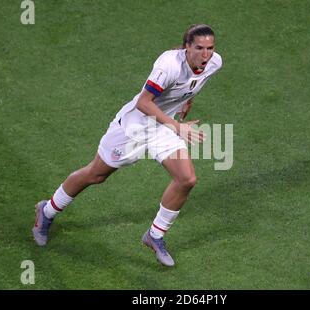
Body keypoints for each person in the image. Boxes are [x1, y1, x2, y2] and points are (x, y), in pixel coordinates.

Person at [32, 24, 222, 267]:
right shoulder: (168, 66)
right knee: (96, 174)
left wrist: (187, 101)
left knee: (187, 179)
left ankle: (155, 235)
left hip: (162, 128)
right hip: (134, 126)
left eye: (210, 48)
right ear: (187, 47)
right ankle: (46, 211)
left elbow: (195, 82)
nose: (206, 55)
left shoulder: (214, 63)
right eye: (199, 48)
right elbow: (144, 103)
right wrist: (177, 127)